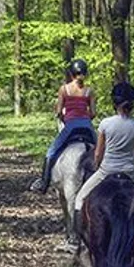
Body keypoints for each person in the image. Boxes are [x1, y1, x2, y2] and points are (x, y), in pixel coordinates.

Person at [72, 81, 134, 221]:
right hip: (130, 172)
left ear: (114, 103)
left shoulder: (105, 123)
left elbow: (98, 153)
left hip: (107, 170)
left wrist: (97, 166)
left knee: (79, 199)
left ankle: (75, 238)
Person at [29, 59, 97, 194]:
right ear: (85, 73)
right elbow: (93, 113)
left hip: (70, 126)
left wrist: (64, 118)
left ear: (71, 74)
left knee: (51, 152)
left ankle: (43, 182)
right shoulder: (90, 91)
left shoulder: (64, 89)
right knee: (100, 152)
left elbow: (59, 111)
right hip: (87, 127)